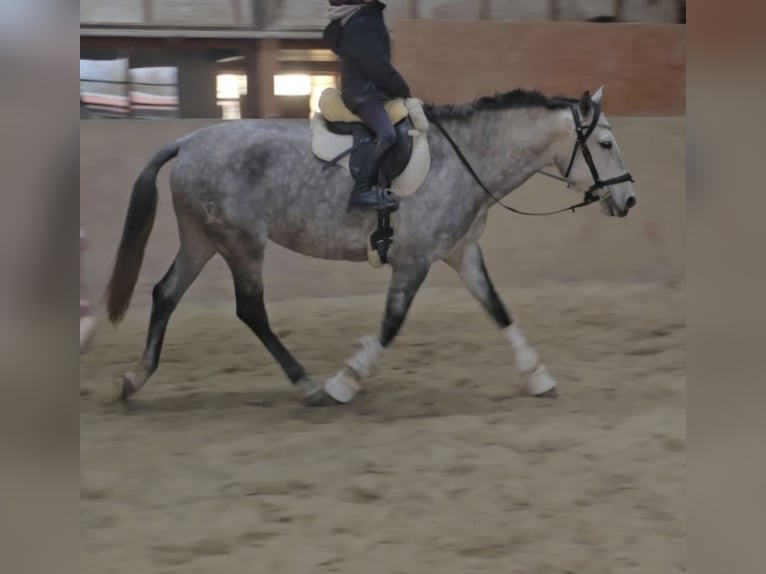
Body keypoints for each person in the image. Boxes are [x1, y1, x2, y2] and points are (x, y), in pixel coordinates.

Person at [323, 0, 412, 210]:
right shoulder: (361, 21)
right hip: (364, 93)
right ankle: (361, 191)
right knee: (387, 135)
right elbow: (375, 65)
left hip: (370, 90)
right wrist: (401, 88)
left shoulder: (360, 17)